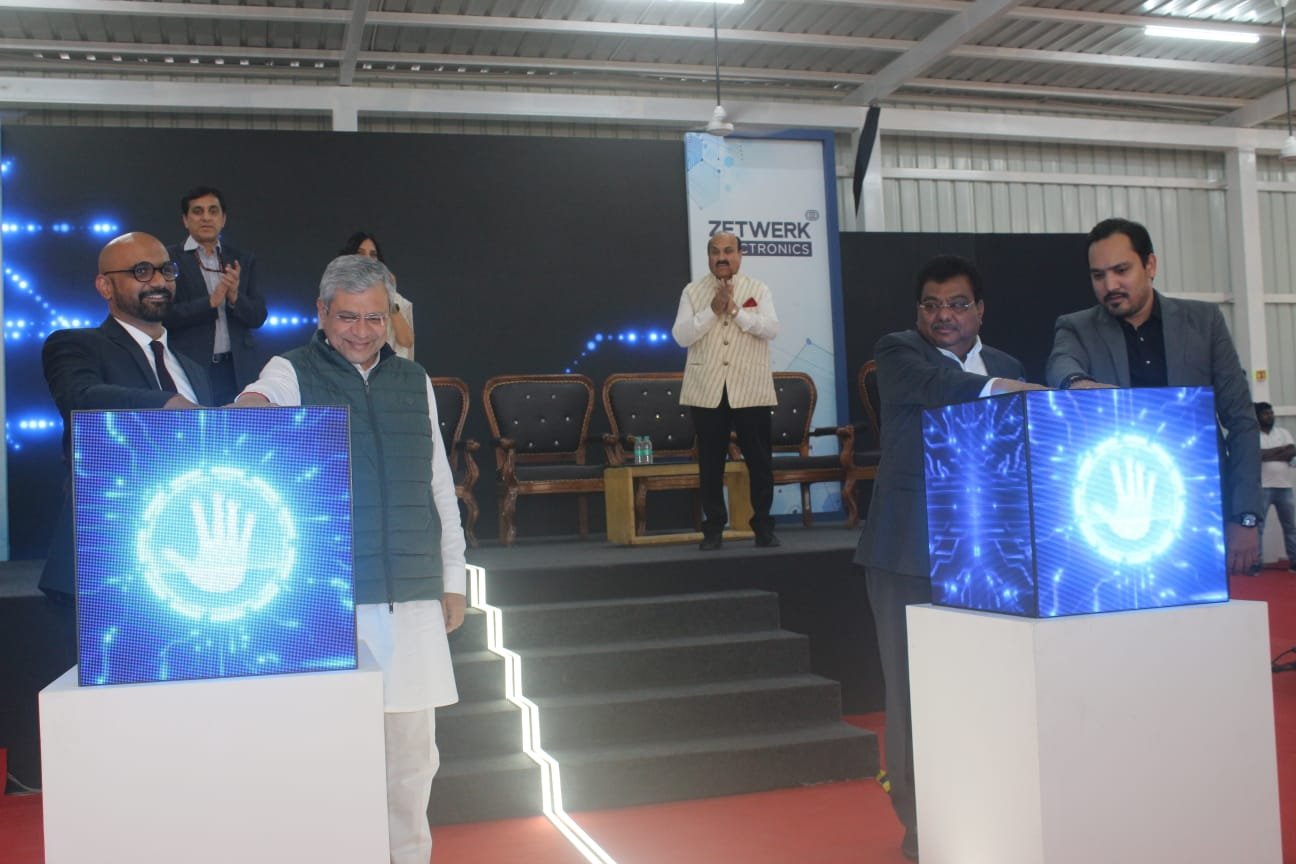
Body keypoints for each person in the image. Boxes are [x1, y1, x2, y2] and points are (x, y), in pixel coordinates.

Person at [234, 254, 465, 864]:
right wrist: (246, 411)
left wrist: (453, 577)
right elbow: (257, 401)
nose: (361, 332)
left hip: (413, 593)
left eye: (374, 318)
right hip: (330, 599)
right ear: (321, 313)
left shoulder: (413, 379)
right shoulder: (291, 370)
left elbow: (439, 483)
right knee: (332, 753)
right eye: (347, 317)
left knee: (413, 758)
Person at [854, 254, 1044, 862]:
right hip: (906, 553)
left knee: (987, 692)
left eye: (958, 304)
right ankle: (921, 827)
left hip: (992, 558)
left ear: (980, 310)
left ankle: (990, 812)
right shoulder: (899, 353)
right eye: (931, 305)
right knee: (913, 698)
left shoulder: (1009, 365)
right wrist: (997, 390)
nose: (944, 316)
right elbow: (937, 388)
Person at [1046, 217, 1261, 575]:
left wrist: (1245, 516)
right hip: (1113, 520)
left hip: (1200, 509)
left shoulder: (1204, 322)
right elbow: (1060, 364)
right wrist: (1077, 383)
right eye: (1098, 276)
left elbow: (1241, 422)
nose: (1110, 285)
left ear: (1150, 265)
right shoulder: (1076, 327)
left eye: (1121, 270)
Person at [40, 231, 212, 603]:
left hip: (188, 570)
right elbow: (79, 398)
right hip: (108, 563)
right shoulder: (75, 344)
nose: (159, 281)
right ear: (105, 286)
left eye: (166, 270)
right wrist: (166, 404)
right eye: (141, 271)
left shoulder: (194, 369)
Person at [672, 231, 781, 550]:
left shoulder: (758, 289)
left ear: (740, 255)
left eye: (729, 251)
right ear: (708, 257)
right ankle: (713, 530)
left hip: (750, 386)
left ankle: (763, 527)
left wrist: (736, 311)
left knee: (759, 461)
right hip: (707, 387)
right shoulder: (692, 291)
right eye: (716, 252)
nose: (722, 257)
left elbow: (771, 329)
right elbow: (681, 336)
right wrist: (712, 310)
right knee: (710, 463)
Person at [165, 185, 267, 405]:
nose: (206, 218)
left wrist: (235, 298)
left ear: (223, 219)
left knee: (240, 424)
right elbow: (164, 316)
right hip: (192, 367)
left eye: (213, 211)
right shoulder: (169, 259)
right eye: (197, 211)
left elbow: (258, 316)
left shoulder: (242, 259)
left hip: (237, 368)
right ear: (185, 220)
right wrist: (210, 303)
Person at [340, 231, 415, 361]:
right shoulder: (336, 294)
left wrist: (389, 297)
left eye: (373, 255)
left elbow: (407, 341)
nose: (367, 259)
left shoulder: (392, 296)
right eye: (360, 253)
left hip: (387, 369)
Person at [1255, 402, 1296, 573]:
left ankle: (1294, 562)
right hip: (1263, 488)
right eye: (1265, 414)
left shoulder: (1283, 433)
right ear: (1257, 416)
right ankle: (1256, 563)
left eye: (1271, 413)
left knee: (1290, 527)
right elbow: (1256, 455)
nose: (1270, 416)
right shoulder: (1252, 435)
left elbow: (1291, 451)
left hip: (1284, 487)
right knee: (1258, 528)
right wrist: (1280, 451)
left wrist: (1266, 454)